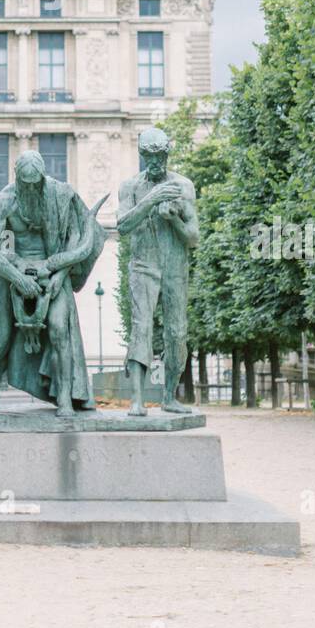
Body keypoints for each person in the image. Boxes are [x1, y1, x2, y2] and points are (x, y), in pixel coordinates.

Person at [0, 149, 107, 416]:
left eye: (36, 183)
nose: (31, 188)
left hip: (54, 270)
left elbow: (76, 240)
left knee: (59, 329)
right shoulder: (3, 200)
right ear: (16, 177)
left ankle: (64, 397)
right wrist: (18, 277)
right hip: (12, 272)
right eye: (25, 183)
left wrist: (60, 275)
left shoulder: (61, 194)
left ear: (43, 177)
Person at [117, 127, 200, 416]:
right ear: (142, 155)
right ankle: (137, 400)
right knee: (141, 327)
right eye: (149, 157)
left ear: (167, 155)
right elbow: (123, 225)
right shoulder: (130, 187)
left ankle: (169, 397)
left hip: (175, 268)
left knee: (177, 333)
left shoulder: (183, 186)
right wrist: (151, 200)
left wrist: (174, 219)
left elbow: (193, 237)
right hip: (143, 265)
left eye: (160, 157)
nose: (155, 162)